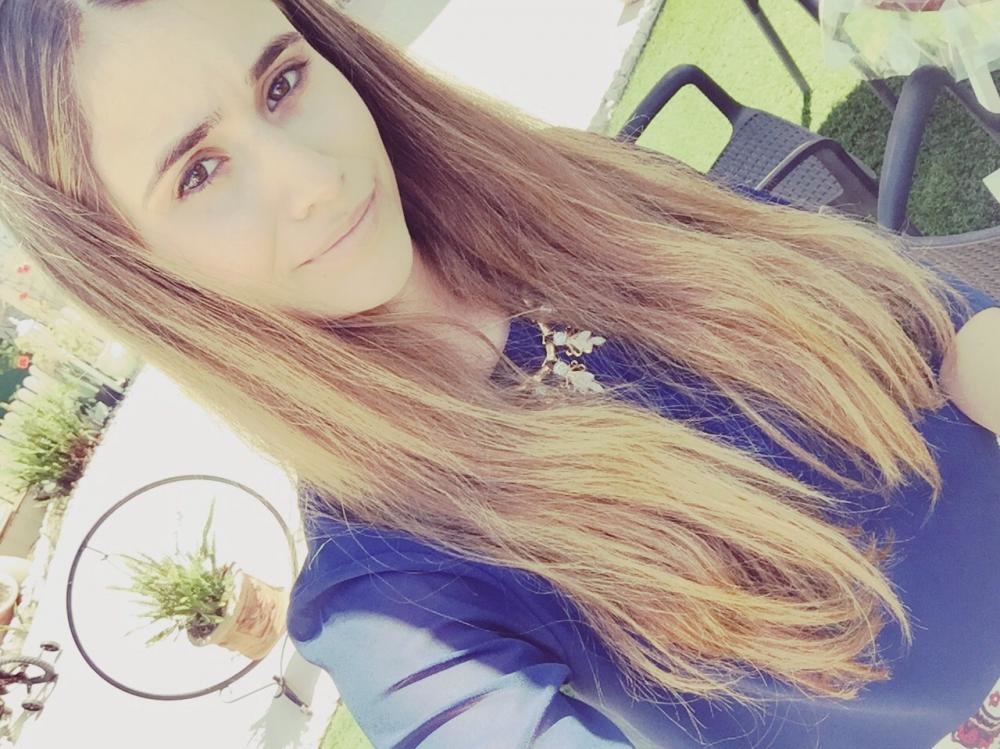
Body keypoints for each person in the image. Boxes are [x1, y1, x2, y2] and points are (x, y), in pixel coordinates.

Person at [0, 1, 997, 747]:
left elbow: (907, 308)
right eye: (199, 172)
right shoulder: (391, 598)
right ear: (137, 269)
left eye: (282, 84)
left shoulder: (562, 191)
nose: (314, 180)